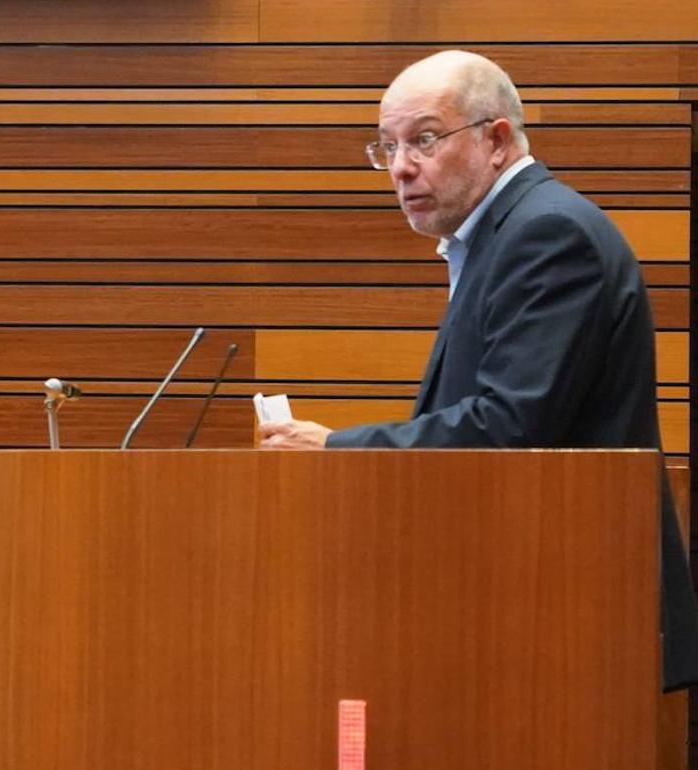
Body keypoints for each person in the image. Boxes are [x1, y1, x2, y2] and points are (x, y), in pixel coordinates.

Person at [258, 50, 698, 690]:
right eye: (387, 147)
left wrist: (335, 447)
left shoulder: (546, 234)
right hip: (534, 606)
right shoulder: (507, 234)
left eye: (425, 139)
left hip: (571, 613)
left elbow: (509, 428)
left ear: (496, 140)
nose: (402, 167)